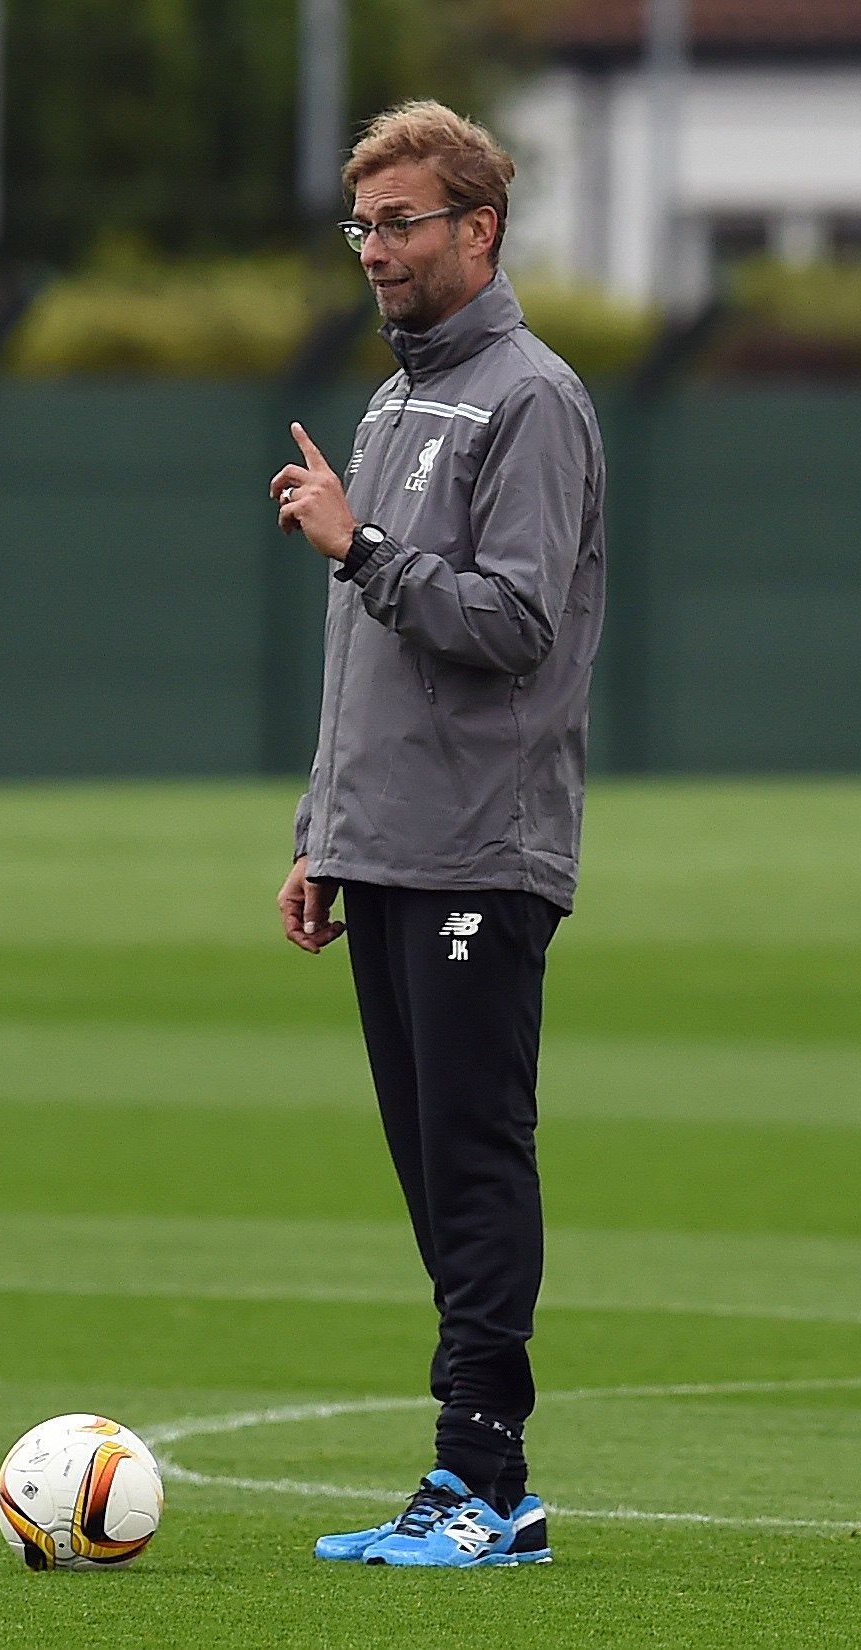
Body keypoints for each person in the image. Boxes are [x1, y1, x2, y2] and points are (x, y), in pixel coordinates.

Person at [267, 102, 606, 1567]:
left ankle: (481, 1478)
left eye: (400, 222)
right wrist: (320, 830)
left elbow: (516, 622)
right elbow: (365, 654)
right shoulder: (392, 403)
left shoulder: (531, 400)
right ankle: (474, 1479)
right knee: (427, 1166)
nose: (374, 250)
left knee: (472, 1160)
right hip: (389, 843)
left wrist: (360, 546)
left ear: (479, 228)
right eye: (362, 225)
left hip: (480, 845)